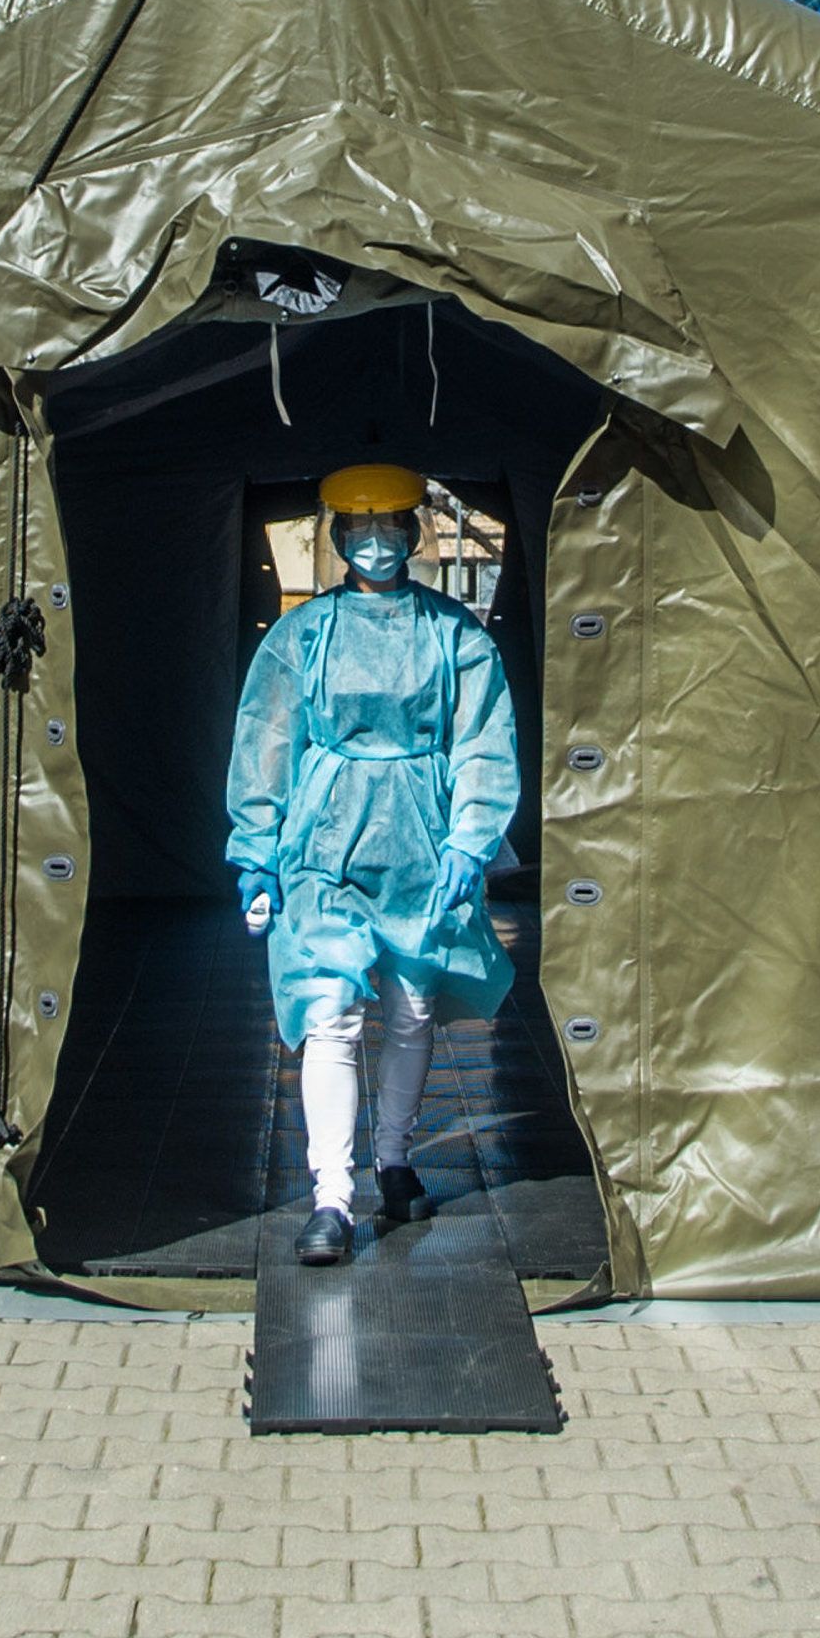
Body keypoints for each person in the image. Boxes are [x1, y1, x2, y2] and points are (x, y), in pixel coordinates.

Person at [221, 459, 521, 1267]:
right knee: (332, 1010)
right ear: (339, 532)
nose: (378, 541)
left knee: (412, 1007)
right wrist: (256, 854)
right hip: (322, 843)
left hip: (421, 843)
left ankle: (393, 1156)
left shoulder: (454, 635)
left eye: (393, 524)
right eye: (361, 526)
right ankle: (331, 1195)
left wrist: (471, 839)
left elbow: (485, 742)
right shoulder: (302, 636)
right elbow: (266, 743)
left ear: (414, 530)